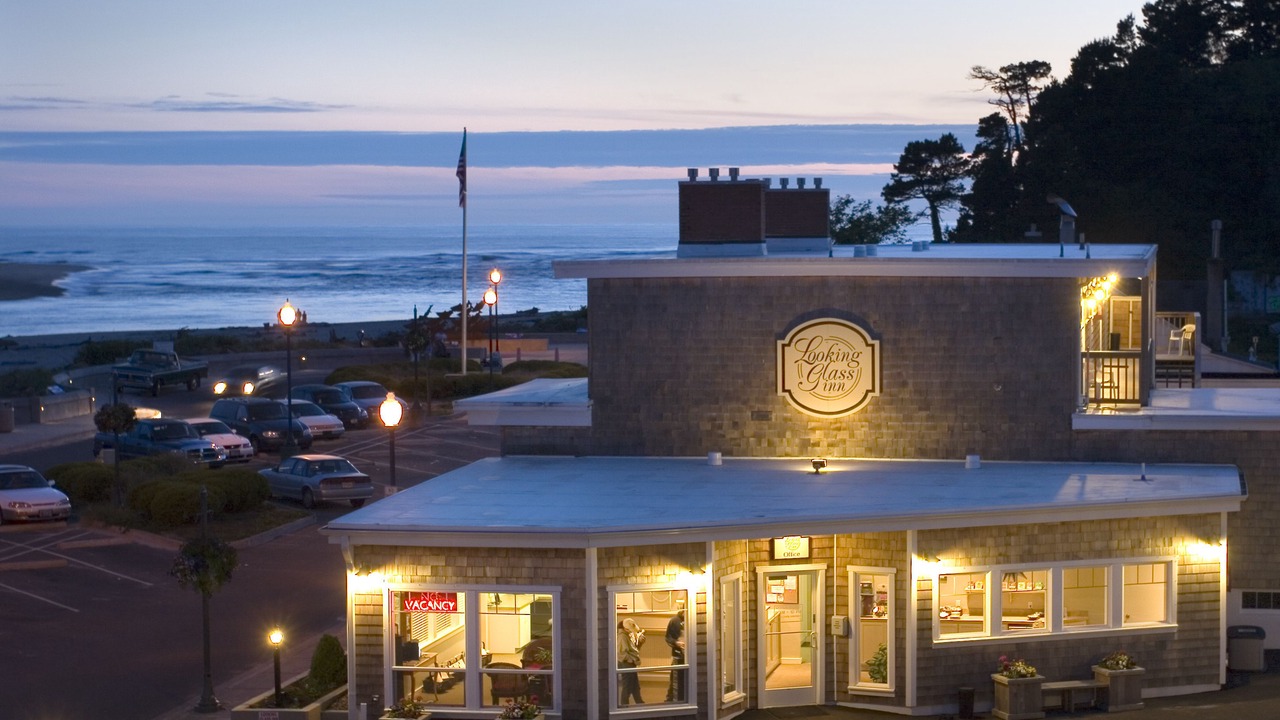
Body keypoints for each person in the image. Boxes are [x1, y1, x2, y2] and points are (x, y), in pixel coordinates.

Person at [617, 618, 645, 705]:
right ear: (626, 629)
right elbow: (621, 654)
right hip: (626, 663)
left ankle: (639, 702)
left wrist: (639, 642)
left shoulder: (627, 635)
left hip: (630, 663)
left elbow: (633, 649)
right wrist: (632, 660)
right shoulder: (622, 637)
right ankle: (624, 706)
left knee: (634, 685)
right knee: (627, 686)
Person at [665, 609, 686, 702]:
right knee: (675, 678)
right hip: (678, 655)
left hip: (688, 655)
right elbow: (668, 637)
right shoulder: (675, 621)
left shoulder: (692, 620)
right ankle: (671, 699)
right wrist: (676, 643)